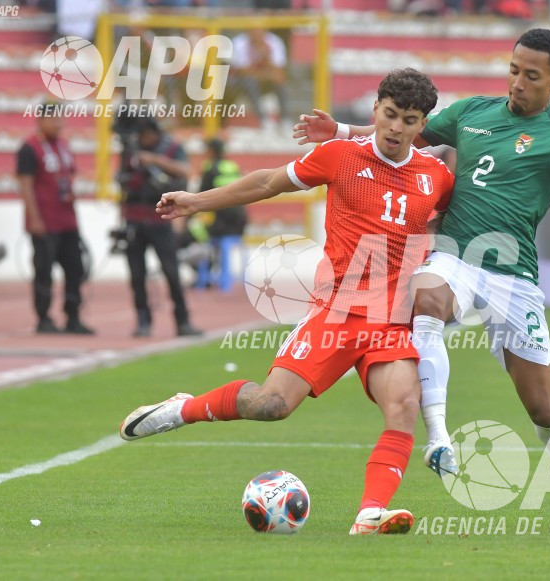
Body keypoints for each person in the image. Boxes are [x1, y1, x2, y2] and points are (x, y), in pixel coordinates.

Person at [295, 28, 550, 531]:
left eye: (531, 75)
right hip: (455, 255)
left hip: (514, 276)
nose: (518, 83)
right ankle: (439, 437)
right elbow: (405, 133)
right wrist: (342, 131)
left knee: (541, 408)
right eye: (513, 70)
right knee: (426, 298)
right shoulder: (472, 112)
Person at [119, 68, 454, 535]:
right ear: (376, 109)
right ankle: (182, 409)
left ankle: (370, 513)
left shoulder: (437, 177)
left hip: (391, 321)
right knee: (271, 404)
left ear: (423, 125)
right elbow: (267, 183)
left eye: (409, 120)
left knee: (403, 404)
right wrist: (198, 201)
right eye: (391, 114)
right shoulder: (339, 155)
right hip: (336, 312)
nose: (396, 127)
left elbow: (448, 227)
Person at [118, 116, 202, 338]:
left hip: (162, 219)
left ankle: (183, 321)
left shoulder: (171, 147)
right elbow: (123, 182)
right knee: (137, 275)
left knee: (172, 272)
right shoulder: (130, 150)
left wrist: (154, 161)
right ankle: (143, 322)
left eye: (147, 134)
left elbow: (184, 170)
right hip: (135, 219)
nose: (144, 139)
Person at [16, 101, 94, 335]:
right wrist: (34, 218)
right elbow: (26, 185)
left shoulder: (64, 146)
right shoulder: (29, 148)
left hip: (67, 220)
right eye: (52, 119)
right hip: (45, 221)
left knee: (75, 268)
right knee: (44, 271)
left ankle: (73, 316)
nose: (58, 123)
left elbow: (67, 177)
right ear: (40, 120)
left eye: (60, 119)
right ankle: (44, 318)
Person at [196, 138, 247, 291]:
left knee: (198, 235)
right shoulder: (233, 166)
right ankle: (219, 278)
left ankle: (204, 279)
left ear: (211, 151)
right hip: (241, 222)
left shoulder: (209, 168)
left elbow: (200, 196)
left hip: (223, 225)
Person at [229, 29, 290, 129]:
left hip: (263, 80)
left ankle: (284, 119)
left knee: (280, 82)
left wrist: (266, 56)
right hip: (241, 83)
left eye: (260, 30)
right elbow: (243, 71)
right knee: (249, 82)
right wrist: (267, 74)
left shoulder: (274, 41)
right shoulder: (239, 42)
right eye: (254, 30)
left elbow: (279, 71)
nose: (257, 34)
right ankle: (264, 120)